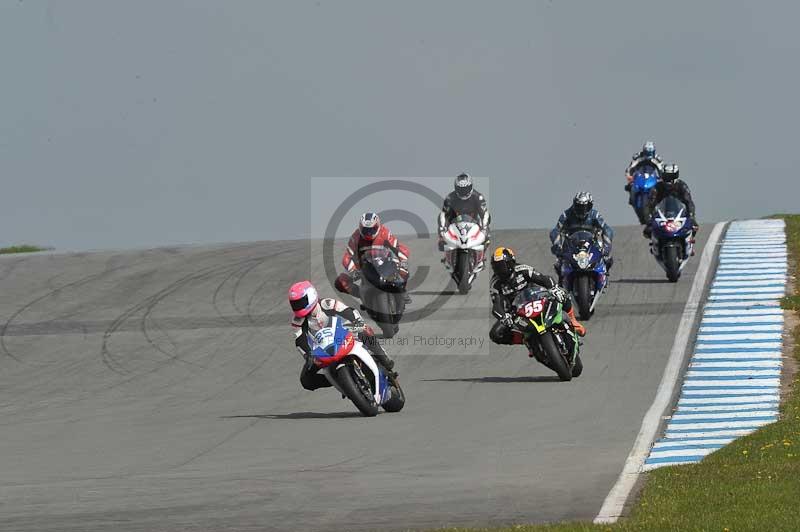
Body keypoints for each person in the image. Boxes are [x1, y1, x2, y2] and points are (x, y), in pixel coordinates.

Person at [289, 280, 396, 391]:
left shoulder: (327, 303)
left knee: (365, 332)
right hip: (321, 348)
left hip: (343, 333)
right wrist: (308, 355)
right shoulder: (297, 321)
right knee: (306, 380)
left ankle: (384, 358)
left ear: (311, 295)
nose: (298, 306)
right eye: (295, 304)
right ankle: (339, 381)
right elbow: (299, 340)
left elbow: (348, 311)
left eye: (300, 302)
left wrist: (359, 324)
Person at [488, 247, 586, 350]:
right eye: (496, 267)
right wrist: (504, 316)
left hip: (537, 298)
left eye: (503, 266)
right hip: (516, 312)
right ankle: (526, 340)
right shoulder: (495, 284)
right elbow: (497, 306)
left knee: (563, 293)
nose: (500, 270)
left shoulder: (523, 269)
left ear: (511, 262)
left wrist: (553, 288)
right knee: (495, 334)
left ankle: (573, 321)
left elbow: (544, 279)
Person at [335, 212, 412, 304]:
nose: (369, 233)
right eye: (365, 230)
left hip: (384, 261)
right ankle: (362, 295)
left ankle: (402, 291)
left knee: (404, 270)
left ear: (378, 226)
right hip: (363, 266)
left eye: (372, 229)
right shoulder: (355, 237)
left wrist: (403, 260)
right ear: (360, 227)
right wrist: (353, 270)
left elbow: (398, 247)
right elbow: (347, 256)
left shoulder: (384, 233)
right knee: (340, 282)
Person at [549, 192, 614, 280]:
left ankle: (603, 275)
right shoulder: (566, 215)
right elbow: (555, 231)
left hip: (591, 243)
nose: (581, 209)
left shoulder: (595, 215)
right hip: (571, 244)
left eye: (584, 207)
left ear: (590, 206)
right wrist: (557, 245)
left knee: (608, 259)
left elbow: (607, 229)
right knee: (559, 263)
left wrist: (606, 246)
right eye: (579, 206)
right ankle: (562, 280)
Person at [643, 163, 698, 241]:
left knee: (694, 227)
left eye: (671, 177)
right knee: (648, 231)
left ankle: (689, 242)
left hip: (678, 215)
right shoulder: (657, 188)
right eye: (666, 177)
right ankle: (655, 243)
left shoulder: (682, 186)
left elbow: (689, 202)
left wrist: (692, 217)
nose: (668, 180)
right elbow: (649, 205)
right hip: (662, 216)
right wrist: (649, 221)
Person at [437, 173, 491, 252]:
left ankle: (480, 253)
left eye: (465, 189)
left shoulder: (478, 197)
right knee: (442, 240)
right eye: (461, 189)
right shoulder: (450, 198)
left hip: (474, 224)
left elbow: (485, 214)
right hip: (454, 224)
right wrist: (442, 229)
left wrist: (485, 228)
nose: (463, 192)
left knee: (486, 237)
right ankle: (448, 251)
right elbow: (443, 214)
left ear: (471, 186)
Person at [625, 140, 664, 206]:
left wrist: (662, 178)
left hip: (652, 176)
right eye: (647, 153)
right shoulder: (638, 157)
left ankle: (658, 201)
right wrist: (629, 176)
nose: (648, 155)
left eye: (650, 153)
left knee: (662, 187)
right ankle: (632, 197)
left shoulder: (657, 159)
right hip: (639, 175)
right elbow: (630, 168)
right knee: (629, 185)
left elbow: (661, 170)